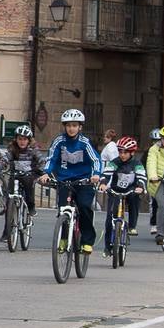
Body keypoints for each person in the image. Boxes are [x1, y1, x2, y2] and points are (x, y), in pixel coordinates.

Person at [38, 108, 101, 255]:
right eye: (68, 125)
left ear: (80, 127)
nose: (71, 128)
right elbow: (51, 158)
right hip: (65, 180)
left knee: (85, 206)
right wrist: (46, 173)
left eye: (74, 125)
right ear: (65, 127)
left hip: (85, 180)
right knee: (62, 210)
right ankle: (64, 239)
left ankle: (87, 241)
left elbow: (96, 159)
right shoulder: (59, 141)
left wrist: (96, 174)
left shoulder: (85, 142)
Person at [99, 136, 146, 255]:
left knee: (135, 200)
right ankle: (107, 247)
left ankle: (132, 226)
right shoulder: (115, 162)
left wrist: (140, 186)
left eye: (125, 152)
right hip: (115, 191)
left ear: (132, 153)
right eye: (120, 152)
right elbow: (106, 173)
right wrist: (103, 183)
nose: (122, 155)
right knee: (110, 219)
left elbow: (141, 175)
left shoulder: (136, 163)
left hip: (131, 191)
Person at [1, 124, 45, 243]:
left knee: (28, 184)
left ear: (29, 140)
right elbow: (4, 159)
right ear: (16, 139)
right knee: (9, 204)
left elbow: (41, 160)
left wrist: (41, 170)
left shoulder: (33, 150)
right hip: (15, 176)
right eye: (20, 139)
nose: (22, 142)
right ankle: (7, 232)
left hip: (29, 175)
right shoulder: (12, 149)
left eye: (25, 139)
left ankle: (31, 206)